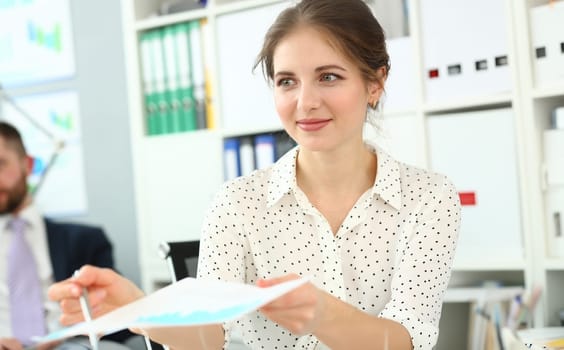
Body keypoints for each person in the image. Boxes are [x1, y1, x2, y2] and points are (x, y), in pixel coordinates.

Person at [49, 0, 461, 349]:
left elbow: (409, 339)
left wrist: (324, 315)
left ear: (375, 82)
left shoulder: (428, 198)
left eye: (329, 77)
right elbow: (210, 336)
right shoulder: (238, 202)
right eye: (287, 82)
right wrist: (138, 310)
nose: (306, 102)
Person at [0, 121, 135, 350]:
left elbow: (117, 321)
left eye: (0, 164)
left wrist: (58, 337)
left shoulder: (84, 241)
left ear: (27, 165)